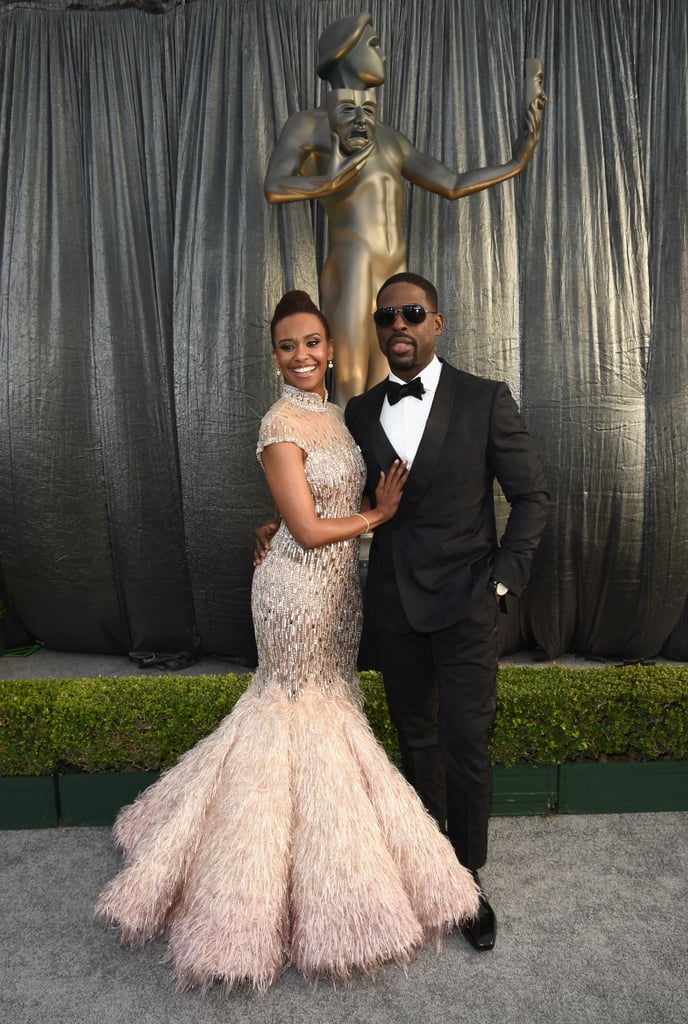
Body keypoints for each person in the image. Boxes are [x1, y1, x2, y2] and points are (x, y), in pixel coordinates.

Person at [95, 290, 479, 993]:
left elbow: (295, 510)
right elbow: (305, 529)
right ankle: (262, 891)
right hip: (295, 595)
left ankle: (319, 871)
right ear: (274, 355)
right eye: (286, 346)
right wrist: (376, 513)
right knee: (295, 712)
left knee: (327, 702)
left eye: (310, 343)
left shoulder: (334, 415)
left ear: (330, 349)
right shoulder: (278, 422)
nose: (300, 355)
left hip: (338, 594)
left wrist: (278, 521)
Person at [345, 272, 550, 951]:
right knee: (417, 737)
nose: (396, 325)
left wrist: (500, 584)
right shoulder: (358, 411)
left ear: (436, 322)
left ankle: (465, 882)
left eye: (410, 313)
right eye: (385, 317)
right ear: (377, 330)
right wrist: (276, 527)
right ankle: (428, 864)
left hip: (467, 602)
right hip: (395, 603)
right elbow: (339, 501)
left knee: (465, 741)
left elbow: (531, 498)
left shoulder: (485, 400)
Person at [264, 13, 547, 404]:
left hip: (393, 272)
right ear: (345, 49)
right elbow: (275, 186)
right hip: (352, 265)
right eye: (373, 43)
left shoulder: (391, 138)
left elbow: (451, 184)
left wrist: (518, 160)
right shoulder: (310, 125)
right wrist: (328, 184)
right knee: (349, 380)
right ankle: (345, 466)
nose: (381, 52)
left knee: (387, 384)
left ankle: (381, 465)